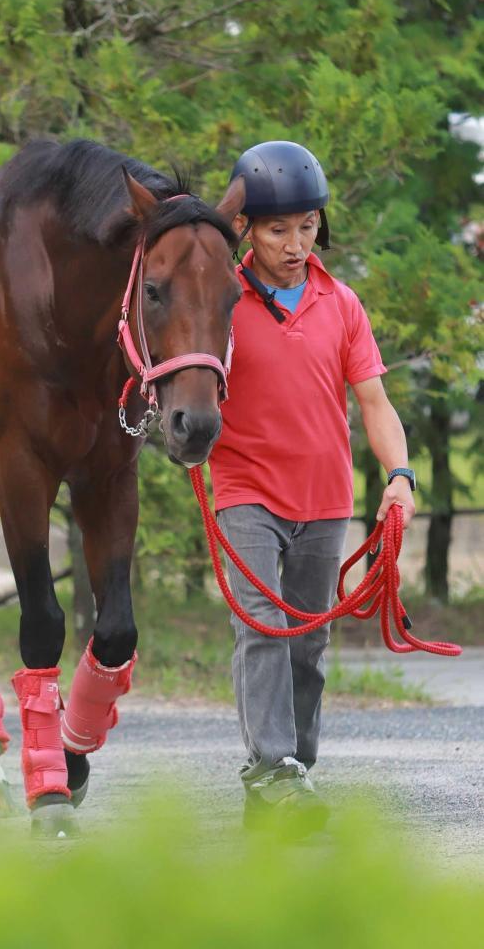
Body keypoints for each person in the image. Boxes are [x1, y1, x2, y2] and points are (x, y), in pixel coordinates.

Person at [208, 140, 417, 832]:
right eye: (277, 229)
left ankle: (289, 771)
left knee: (306, 643)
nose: (296, 243)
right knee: (261, 629)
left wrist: (399, 477)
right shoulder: (222, 302)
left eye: (306, 226)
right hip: (244, 491)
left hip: (324, 499)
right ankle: (271, 767)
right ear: (244, 228)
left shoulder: (340, 302)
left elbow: (374, 404)